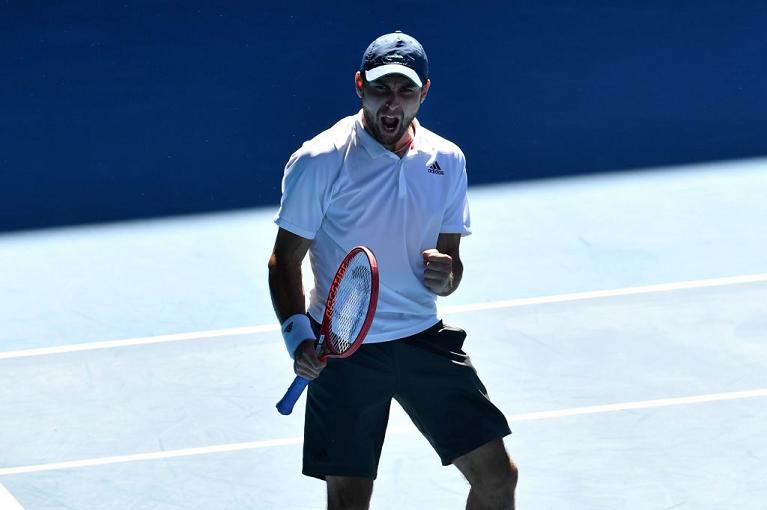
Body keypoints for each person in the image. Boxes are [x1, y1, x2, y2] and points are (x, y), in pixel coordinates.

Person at [268, 31, 517, 510]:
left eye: (405, 90)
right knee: (349, 501)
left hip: (423, 337)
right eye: (381, 88)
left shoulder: (447, 160)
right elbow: (284, 260)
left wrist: (448, 275)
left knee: (497, 478)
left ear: (424, 93)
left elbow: (451, 263)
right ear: (360, 86)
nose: (392, 102)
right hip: (344, 351)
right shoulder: (320, 159)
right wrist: (298, 338)